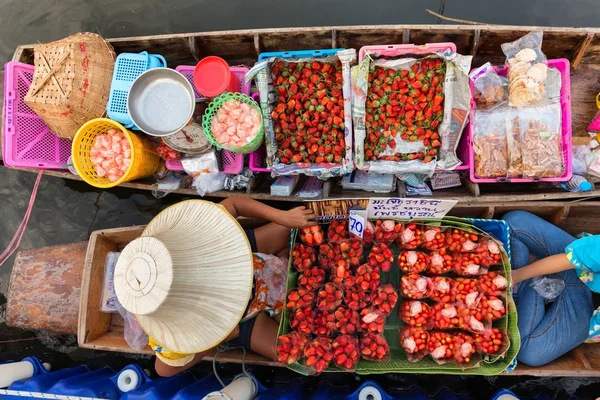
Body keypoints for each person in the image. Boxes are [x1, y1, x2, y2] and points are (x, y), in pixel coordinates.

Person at [153, 196, 316, 377]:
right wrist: (219, 337)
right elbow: (163, 369)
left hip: (240, 256)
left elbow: (234, 204)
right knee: (306, 359)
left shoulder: (191, 238)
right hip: (236, 313)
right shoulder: (168, 326)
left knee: (303, 224)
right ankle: (285, 277)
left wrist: (282, 216)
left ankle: (283, 259)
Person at [503, 210, 598, 367]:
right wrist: (517, 276)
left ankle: (532, 286)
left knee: (531, 353)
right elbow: (568, 261)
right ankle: (528, 283)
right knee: (514, 223)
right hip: (578, 269)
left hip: (587, 312)